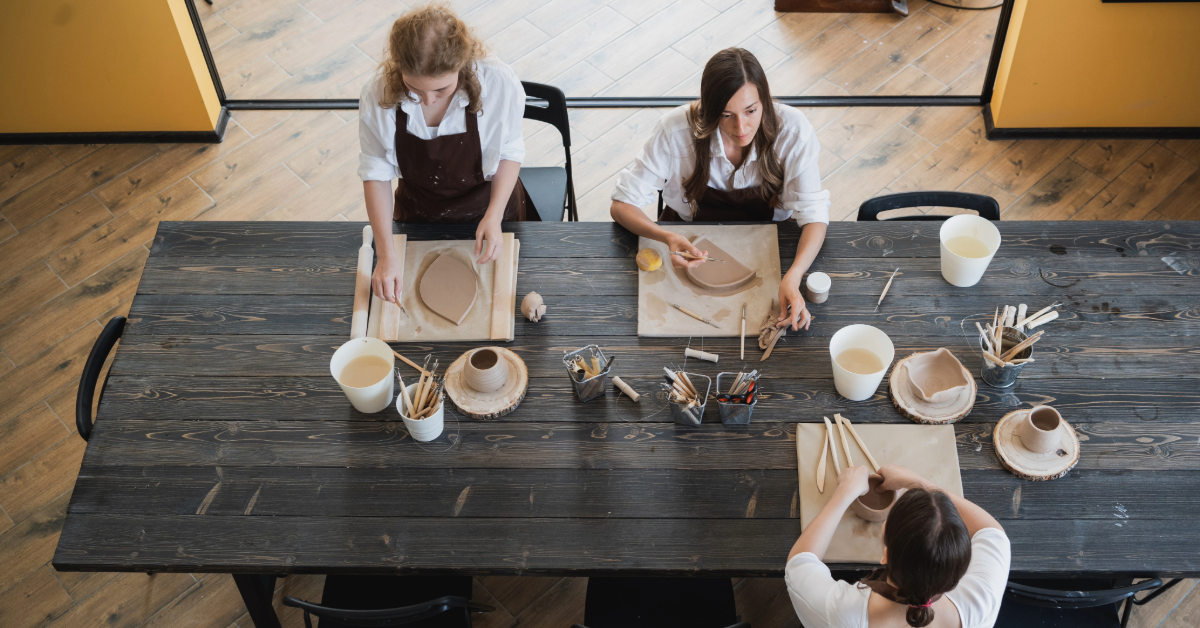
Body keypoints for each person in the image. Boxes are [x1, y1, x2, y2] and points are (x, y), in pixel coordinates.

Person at [609, 47, 829, 331]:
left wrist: (794, 275)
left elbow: (814, 216)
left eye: (751, 111)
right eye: (725, 115)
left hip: (771, 242)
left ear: (765, 99)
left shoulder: (793, 131)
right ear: (709, 109)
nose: (741, 127)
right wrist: (667, 237)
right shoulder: (675, 131)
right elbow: (621, 205)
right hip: (688, 244)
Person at [358, 3, 532, 303]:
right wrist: (386, 255)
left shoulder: (499, 82)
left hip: (491, 206)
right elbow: (376, 172)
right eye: (414, 88)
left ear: (461, 66)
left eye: (441, 90)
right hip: (419, 211)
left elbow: (510, 152)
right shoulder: (377, 92)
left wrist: (493, 216)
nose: (426, 101)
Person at [785, 464, 1010, 628]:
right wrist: (917, 481)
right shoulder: (981, 603)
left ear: (885, 554)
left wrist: (845, 492)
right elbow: (991, 531)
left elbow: (800, 562)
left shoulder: (843, 615)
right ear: (959, 568)